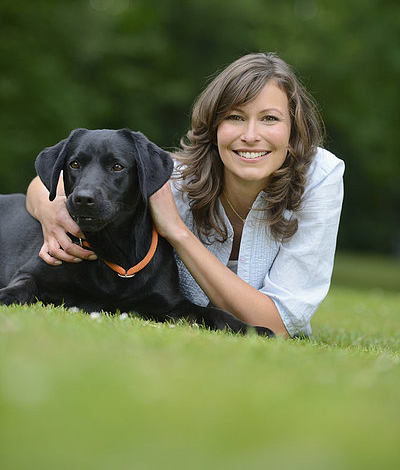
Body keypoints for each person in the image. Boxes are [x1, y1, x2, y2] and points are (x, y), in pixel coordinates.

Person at [26, 52, 344, 338]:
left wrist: (177, 231)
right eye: (235, 117)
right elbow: (45, 182)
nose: (251, 136)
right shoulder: (172, 177)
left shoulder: (320, 178)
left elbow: (277, 326)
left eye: (269, 119)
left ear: (294, 130)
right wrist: (49, 207)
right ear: (214, 126)